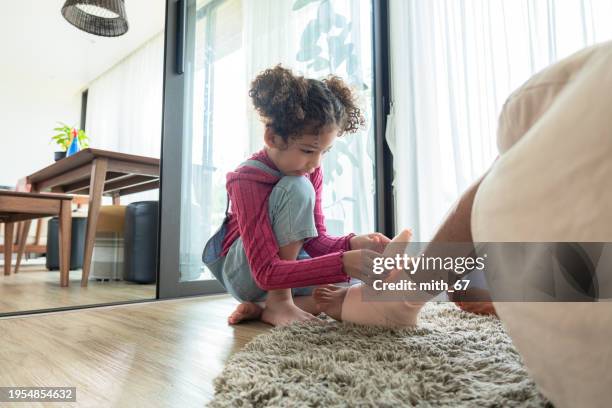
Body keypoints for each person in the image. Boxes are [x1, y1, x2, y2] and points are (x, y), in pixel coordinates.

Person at [202, 65, 389, 327]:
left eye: (325, 152)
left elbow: (316, 242)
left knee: (359, 282)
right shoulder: (247, 179)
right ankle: (280, 303)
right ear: (272, 137)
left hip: (280, 273)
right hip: (247, 272)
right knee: (297, 187)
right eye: (309, 150)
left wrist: (354, 245)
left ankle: (264, 308)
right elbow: (266, 271)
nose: (315, 163)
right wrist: (344, 262)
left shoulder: (310, 168)